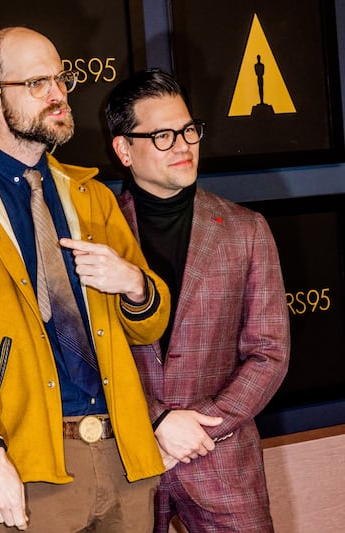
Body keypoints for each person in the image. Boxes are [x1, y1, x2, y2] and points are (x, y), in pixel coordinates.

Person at [0, 27, 170, 532]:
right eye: (35, 83)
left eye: (60, 79)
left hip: (126, 458)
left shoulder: (88, 192)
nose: (57, 95)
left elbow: (148, 325)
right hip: (35, 462)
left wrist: (134, 284)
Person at [106, 68, 290, 532]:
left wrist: (203, 425)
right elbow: (87, 353)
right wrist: (157, 419)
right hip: (126, 459)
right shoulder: (97, 234)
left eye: (188, 130)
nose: (183, 145)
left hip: (221, 457)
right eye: (163, 135)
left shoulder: (247, 230)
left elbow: (269, 353)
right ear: (124, 149)